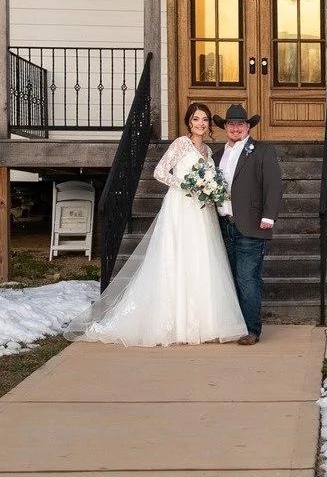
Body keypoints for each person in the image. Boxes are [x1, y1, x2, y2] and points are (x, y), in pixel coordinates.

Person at [68, 100, 247, 346]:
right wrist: (187, 184)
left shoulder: (207, 150)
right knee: (177, 257)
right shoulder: (180, 144)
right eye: (196, 119)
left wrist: (210, 189)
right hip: (181, 206)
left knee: (201, 258)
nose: (201, 124)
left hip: (202, 211)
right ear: (188, 122)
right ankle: (174, 322)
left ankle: (204, 323)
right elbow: (160, 172)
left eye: (205, 120)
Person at [215, 103, 284, 343]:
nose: (235, 128)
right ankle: (234, 325)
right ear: (225, 127)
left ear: (247, 127)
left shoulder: (262, 150)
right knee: (229, 277)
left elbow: (274, 185)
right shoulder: (217, 156)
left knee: (247, 278)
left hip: (251, 225)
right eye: (231, 124)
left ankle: (251, 330)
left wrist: (269, 216)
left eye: (240, 124)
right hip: (223, 225)